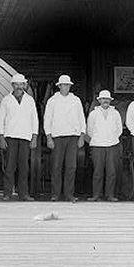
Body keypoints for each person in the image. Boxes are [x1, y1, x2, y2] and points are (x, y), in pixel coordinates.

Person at [43, 74, 86, 202]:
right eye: (64, 85)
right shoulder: (52, 100)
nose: (66, 87)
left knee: (71, 166)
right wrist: (49, 137)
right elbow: (47, 119)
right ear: (59, 86)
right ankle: (55, 194)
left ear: (70, 86)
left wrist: (82, 136)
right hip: (57, 137)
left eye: (68, 85)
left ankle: (69, 194)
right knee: (56, 166)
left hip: (73, 137)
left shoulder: (76, 100)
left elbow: (81, 118)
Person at [0, 73, 38, 201]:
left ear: (24, 85)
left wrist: (34, 137)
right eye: (17, 84)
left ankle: (23, 194)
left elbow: (34, 119)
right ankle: (7, 193)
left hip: (25, 136)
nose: (19, 87)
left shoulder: (30, 100)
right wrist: (1, 137)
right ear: (12, 85)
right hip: (10, 136)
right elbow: (0, 119)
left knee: (24, 167)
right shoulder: (6, 100)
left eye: (21, 84)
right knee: (10, 166)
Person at [86, 89, 122, 201]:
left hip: (112, 145)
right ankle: (96, 195)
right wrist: (97, 139)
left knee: (111, 171)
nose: (105, 101)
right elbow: (89, 130)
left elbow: (119, 129)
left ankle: (110, 195)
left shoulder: (115, 113)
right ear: (99, 100)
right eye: (103, 99)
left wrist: (112, 138)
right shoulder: (93, 114)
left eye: (107, 99)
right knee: (98, 171)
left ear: (110, 100)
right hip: (97, 145)